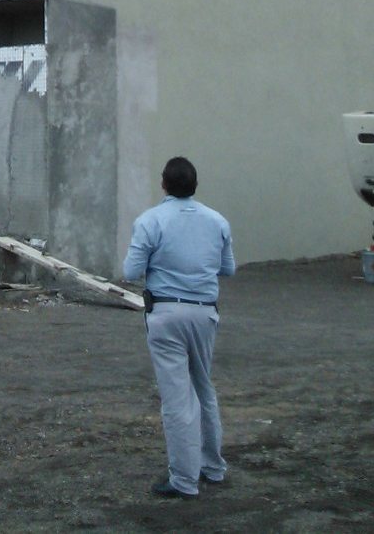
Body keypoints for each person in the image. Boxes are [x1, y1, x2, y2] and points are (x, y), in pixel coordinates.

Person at [122, 155, 236, 499]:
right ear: (195, 185)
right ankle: (212, 467)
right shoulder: (217, 221)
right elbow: (227, 269)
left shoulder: (150, 221)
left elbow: (130, 271)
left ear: (164, 184)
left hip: (166, 315)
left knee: (176, 400)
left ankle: (184, 480)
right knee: (204, 389)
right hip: (204, 313)